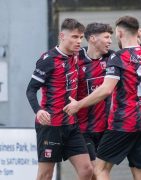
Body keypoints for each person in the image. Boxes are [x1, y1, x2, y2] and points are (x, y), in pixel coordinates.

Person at [63, 16, 141, 180]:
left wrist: (78, 104)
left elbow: (106, 89)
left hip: (122, 122)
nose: (111, 39)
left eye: (112, 35)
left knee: (99, 170)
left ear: (120, 33)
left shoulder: (118, 57)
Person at [26, 18, 93, 180]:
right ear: (62, 36)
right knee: (45, 175)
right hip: (50, 126)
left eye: (80, 37)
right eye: (74, 37)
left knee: (87, 170)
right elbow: (30, 90)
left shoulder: (78, 55)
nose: (78, 41)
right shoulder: (48, 60)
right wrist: (39, 110)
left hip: (71, 125)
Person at [77, 22, 114, 180]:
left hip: (106, 128)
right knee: (92, 171)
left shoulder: (113, 58)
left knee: (98, 173)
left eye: (111, 37)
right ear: (92, 38)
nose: (110, 41)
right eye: (106, 37)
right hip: (83, 129)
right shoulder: (75, 59)